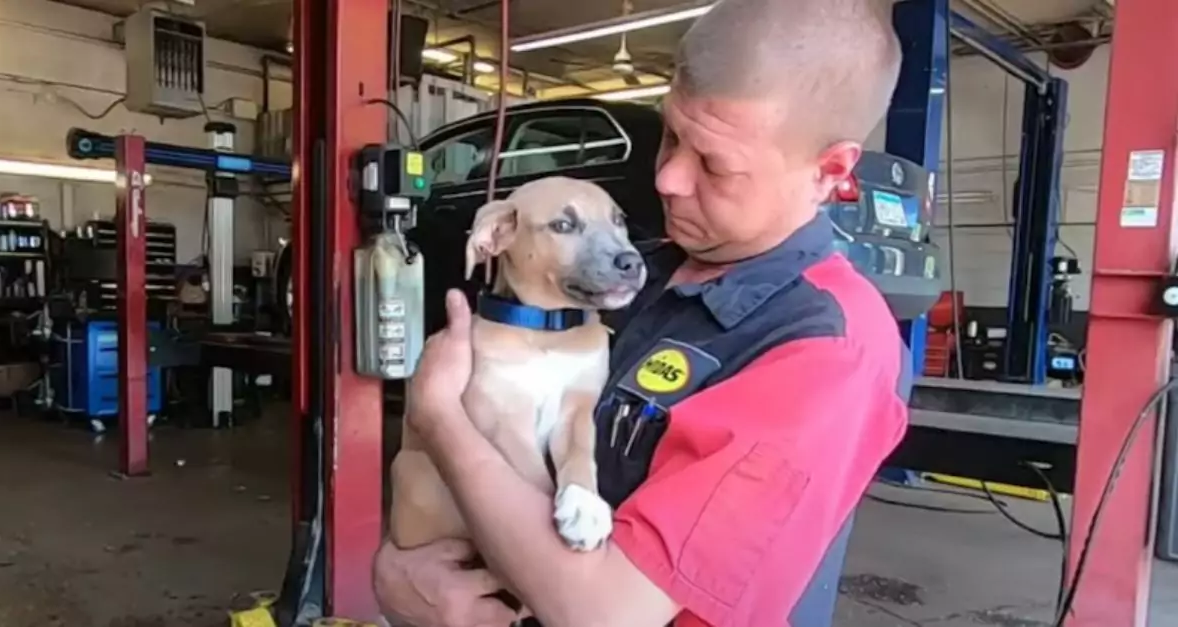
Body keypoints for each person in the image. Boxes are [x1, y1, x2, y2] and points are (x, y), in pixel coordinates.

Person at [373, 0, 911, 625]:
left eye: (714, 163)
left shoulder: (822, 350)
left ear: (830, 170)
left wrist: (440, 419)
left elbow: (605, 613)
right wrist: (396, 574)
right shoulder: (645, 274)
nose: (671, 180)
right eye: (672, 137)